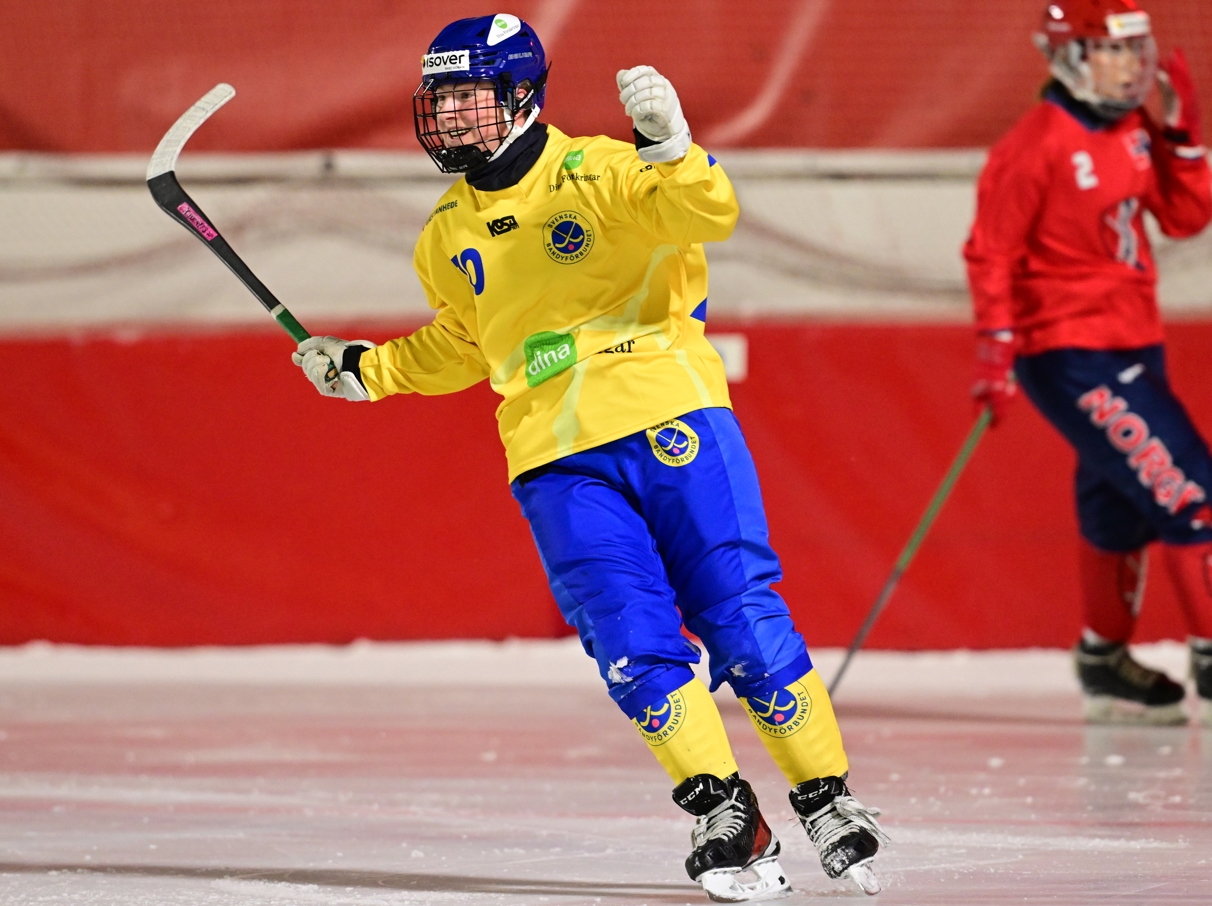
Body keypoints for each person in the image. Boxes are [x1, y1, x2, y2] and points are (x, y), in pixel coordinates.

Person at [290, 13, 886, 901]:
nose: (452, 119)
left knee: (736, 610)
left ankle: (826, 798)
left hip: (669, 413)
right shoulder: (443, 235)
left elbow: (706, 212)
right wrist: (367, 371)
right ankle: (724, 807)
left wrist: (670, 145)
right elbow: (468, 342)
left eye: (470, 100)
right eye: (441, 102)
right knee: (626, 638)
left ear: (524, 98)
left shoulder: (602, 170)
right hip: (552, 456)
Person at [964, 0, 1212, 727]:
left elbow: (1186, 218)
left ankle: (1105, 662)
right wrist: (995, 348)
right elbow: (991, 251)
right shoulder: (1035, 144)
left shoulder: (1132, 130)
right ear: (1068, 57)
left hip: (1132, 341)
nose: (1131, 67)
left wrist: (1182, 135)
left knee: (1117, 504)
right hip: (1070, 352)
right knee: (1190, 492)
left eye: (1136, 50)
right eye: (1112, 52)